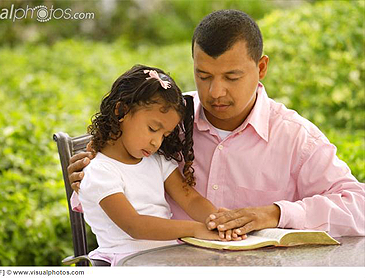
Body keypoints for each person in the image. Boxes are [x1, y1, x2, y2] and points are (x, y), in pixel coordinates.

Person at [69, 10, 364, 239]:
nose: (215, 92)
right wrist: (86, 173)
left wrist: (275, 214)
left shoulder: (295, 137)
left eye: (232, 78)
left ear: (261, 68)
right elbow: (105, 184)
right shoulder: (165, 117)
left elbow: (358, 206)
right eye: (204, 76)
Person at [72, 64, 238, 266]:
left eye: (164, 135)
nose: (156, 142)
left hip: (163, 257)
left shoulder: (157, 160)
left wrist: (217, 221)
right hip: (125, 261)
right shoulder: (99, 171)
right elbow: (135, 226)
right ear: (121, 110)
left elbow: (190, 199)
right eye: (152, 129)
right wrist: (194, 229)